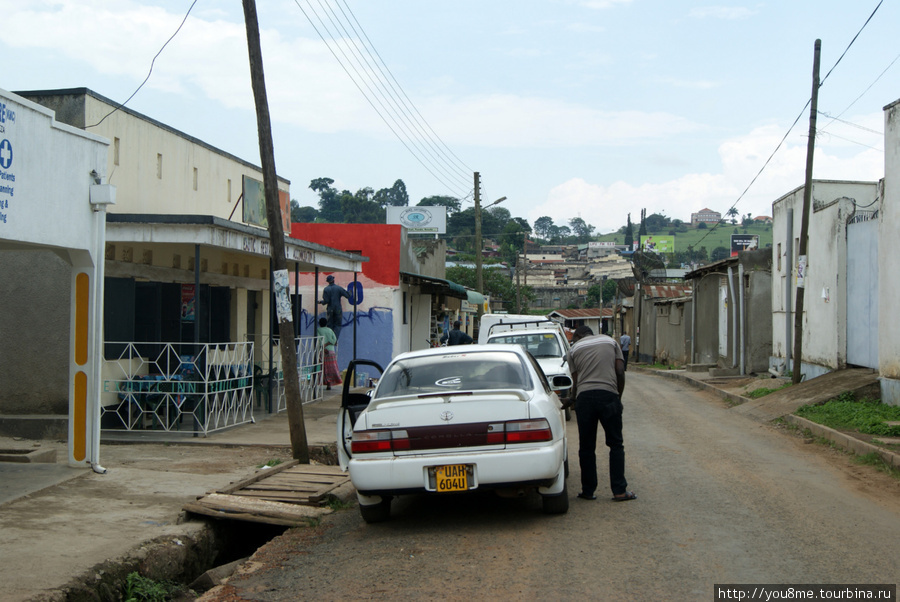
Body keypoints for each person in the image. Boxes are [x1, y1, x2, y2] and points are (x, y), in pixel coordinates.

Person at [566, 325, 636, 502]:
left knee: (587, 447)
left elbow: (576, 380)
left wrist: (573, 400)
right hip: (608, 396)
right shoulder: (610, 341)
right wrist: (617, 398)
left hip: (585, 398)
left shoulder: (573, 349)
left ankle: (588, 491)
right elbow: (620, 371)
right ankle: (619, 491)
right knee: (616, 444)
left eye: (574, 338)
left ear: (579, 336)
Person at [319, 274, 352, 341]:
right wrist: (350, 292)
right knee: (338, 325)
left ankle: (328, 339)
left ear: (328, 281)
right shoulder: (338, 288)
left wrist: (321, 302)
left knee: (329, 325)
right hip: (338, 309)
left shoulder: (326, 289)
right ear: (333, 280)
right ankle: (334, 340)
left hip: (330, 309)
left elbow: (326, 301)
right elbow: (347, 295)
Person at [317, 317, 341, 391]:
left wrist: (324, 347)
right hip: (331, 351)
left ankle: (318, 382)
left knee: (322, 368)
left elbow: (318, 340)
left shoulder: (318, 330)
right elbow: (334, 341)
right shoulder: (330, 330)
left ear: (319, 323)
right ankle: (329, 384)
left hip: (323, 351)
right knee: (331, 368)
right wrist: (328, 343)